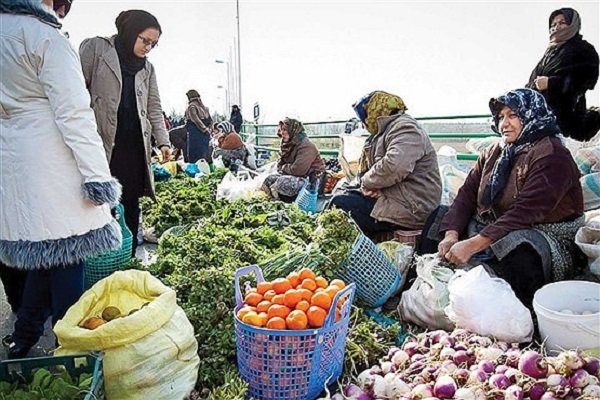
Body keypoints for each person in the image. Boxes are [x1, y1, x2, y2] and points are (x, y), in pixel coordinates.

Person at [0, 0, 122, 358]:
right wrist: (98, 179)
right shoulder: (43, 37)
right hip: (54, 164)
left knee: (44, 254)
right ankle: (72, 349)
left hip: (15, 161)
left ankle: (23, 336)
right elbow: (75, 115)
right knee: (68, 256)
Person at [419, 88, 584, 307]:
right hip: (497, 224)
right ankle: (432, 291)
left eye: (512, 115)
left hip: (543, 232)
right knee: (439, 218)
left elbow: (525, 212)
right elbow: (466, 196)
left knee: (518, 246)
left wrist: (471, 245)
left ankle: (513, 309)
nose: (503, 123)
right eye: (500, 117)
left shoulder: (552, 154)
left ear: (531, 114)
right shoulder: (495, 152)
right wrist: (451, 235)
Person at [79, 9, 171, 257]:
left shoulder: (147, 69)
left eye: (153, 44)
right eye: (145, 40)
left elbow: (154, 107)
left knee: (130, 202)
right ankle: (98, 260)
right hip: (102, 144)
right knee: (98, 203)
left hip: (133, 146)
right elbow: (75, 93)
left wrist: (163, 142)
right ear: (131, 32)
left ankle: (126, 257)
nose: (148, 48)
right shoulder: (97, 50)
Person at [329, 91, 442, 234]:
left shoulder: (405, 128)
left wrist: (366, 184)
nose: (364, 125)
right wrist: (371, 188)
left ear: (375, 112)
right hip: (397, 197)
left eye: (364, 118)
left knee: (342, 205)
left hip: (413, 207)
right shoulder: (384, 132)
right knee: (342, 196)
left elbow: (394, 166)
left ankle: (363, 251)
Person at [526, 7, 600, 141]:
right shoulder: (549, 54)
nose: (556, 27)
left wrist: (551, 83)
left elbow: (586, 82)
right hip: (540, 118)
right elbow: (532, 81)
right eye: (553, 24)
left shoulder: (584, 49)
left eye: (562, 23)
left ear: (573, 24)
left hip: (566, 119)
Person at [261, 118, 325, 202]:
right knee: (269, 179)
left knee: (282, 182)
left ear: (293, 130)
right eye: (281, 130)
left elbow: (298, 170)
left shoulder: (306, 146)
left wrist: (284, 168)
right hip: (296, 177)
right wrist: (285, 167)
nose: (282, 133)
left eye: (285, 130)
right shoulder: (287, 145)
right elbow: (279, 165)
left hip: (311, 181)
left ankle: (284, 201)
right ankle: (270, 202)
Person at [185, 90, 213, 163]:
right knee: (204, 152)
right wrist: (209, 129)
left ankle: (197, 170)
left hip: (195, 133)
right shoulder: (204, 107)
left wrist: (204, 129)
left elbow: (196, 120)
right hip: (205, 134)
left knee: (195, 154)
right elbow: (210, 120)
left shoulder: (191, 107)